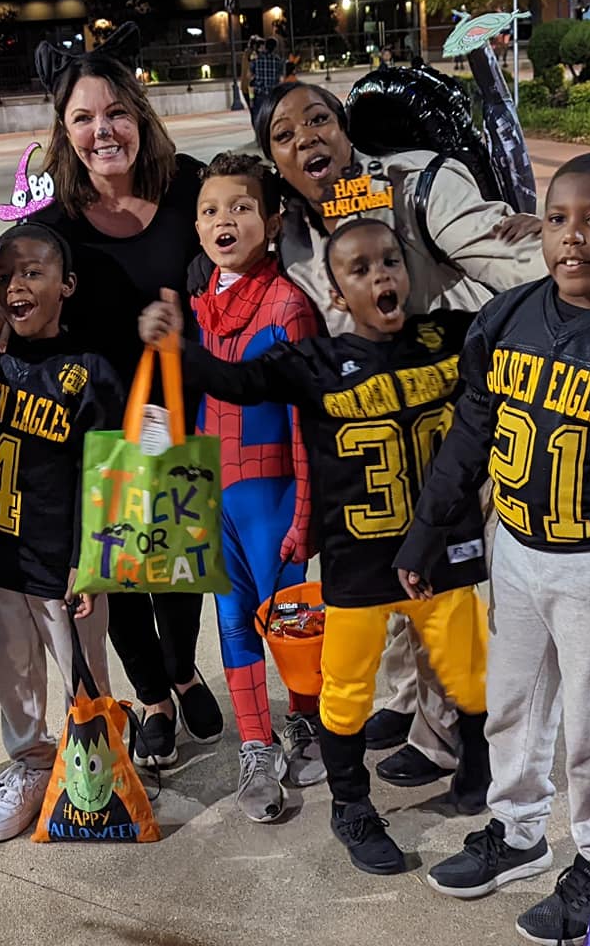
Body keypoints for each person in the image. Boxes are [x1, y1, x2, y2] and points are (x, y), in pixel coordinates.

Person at [395, 153, 590, 945]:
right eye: (560, 217)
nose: (574, 236)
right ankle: (519, 832)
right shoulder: (508, 318)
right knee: (514, 705)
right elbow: (472, 433)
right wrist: (430, 528)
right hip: (518, 550)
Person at [141, 218, 490, 873]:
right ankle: (352, 809)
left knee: (470, 677)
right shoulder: (315, 363)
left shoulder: (446, 337)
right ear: (335, 295)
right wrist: (178, 345)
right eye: (360, 269)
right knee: (347, 694)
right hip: (362, 566)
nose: (381, 275)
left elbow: (515, 312)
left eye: (391, 262)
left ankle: (475, 776)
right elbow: (234, 382)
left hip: (441, 557)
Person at [253, 80, 542, 796]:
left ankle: (463, 749)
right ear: (275, 161)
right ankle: (416, 706)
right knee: (403, 570)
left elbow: (512, 263)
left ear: (344, 128)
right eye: (285, 136)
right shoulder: (292, 225)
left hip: (467, 409)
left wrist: (580, 255)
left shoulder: (419, 184)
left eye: (318, 120)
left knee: (453, 587)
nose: (306, 140)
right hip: (387, 419)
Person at [0, 42, 224, 768]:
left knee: (174, 567)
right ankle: (151, 697)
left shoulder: (189, 189)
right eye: (83, 118)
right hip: (90, 420)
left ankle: (182, 670)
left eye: (115, 112)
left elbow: (250, 245)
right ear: (64, 129)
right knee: (114, 573)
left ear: (139, 116)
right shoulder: (57, 218)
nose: (102, 130)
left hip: (173, 409)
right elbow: (13, 275)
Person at [0, 223, 125, 842]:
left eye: (32, 273)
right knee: (11, 671)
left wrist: (91, 556)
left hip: (65, 564)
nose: (16, 286)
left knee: (82, 674)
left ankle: (97, 761)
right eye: (4, 276)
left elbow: (107, 475)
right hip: (0, 553)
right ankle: (31, 766)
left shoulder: (88, 372)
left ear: (67, 285)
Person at [186, 151, 323, 822]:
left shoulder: (288, 306)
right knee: (232, 623)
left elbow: (305, 420)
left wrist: (306, 508)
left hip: (272, 494)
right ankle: (254, 744)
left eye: (241, 207)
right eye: (210, 210)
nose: (224, 220)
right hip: (214, 494)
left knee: (291, 626)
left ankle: (304, 722)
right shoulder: (193, 303)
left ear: (271, 222)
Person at [250, 38, 283, 126]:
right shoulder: (278, 61)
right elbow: (280, 77)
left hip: (260, 92)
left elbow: (250, 74)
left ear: (265, 46)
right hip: (272, 94)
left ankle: (259, 135)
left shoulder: (257, 60)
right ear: (275, 48)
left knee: (257, 117)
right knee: (271, 117)